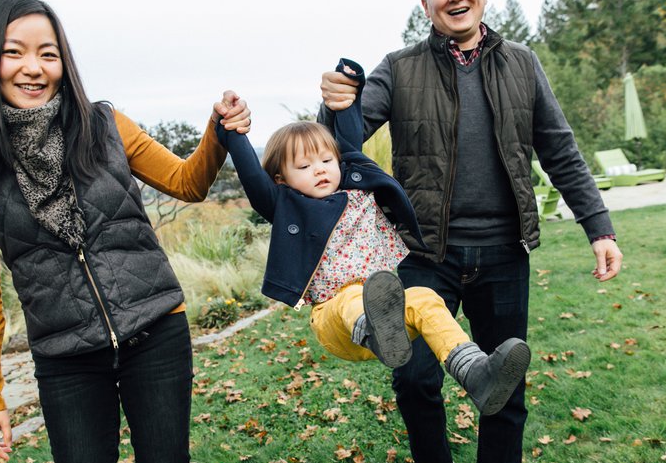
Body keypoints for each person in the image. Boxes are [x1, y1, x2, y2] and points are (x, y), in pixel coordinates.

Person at [319, 0, 623, 463]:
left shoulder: (522, 64)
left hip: (504, 253)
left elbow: (559, 149)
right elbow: (335, 145)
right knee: (413, 375)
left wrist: (599, 225)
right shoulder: (399, 69)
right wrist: (334, 103)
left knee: (504, 384)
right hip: (426, 252)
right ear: (425, 3)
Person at [0, 0, 250, 463]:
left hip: (155, 333)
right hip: (66, 360)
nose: (34, 67)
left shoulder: (104, 125)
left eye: (48, 54)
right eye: (15, 53)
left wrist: (217, 130)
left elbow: (187, 183)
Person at [215, 58, 530, 432]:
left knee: (427, 300)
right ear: (282, 179)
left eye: (326, 160)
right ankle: (376, 327)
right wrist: (233, 131)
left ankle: (475, 371)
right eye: (304, 166)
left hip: (388, 311)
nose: (319, 169)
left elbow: (347, 138)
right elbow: (252, 174)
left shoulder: (356, 187)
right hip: (336, 320)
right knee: (356, 298)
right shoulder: (286, 206)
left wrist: (348, 91)